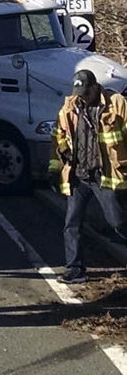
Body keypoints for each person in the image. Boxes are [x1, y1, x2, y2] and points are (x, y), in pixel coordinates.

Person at [49, 69, 127, 284]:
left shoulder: (117, 104)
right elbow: (58, 136)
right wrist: (55, 168)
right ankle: (74, 269)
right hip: (79, 175)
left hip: (105, 176)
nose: (82, 97)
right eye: (79, 93)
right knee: (72, 224)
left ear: (95, 87)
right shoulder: (70, 107)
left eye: (86, 93)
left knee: (117, 223)